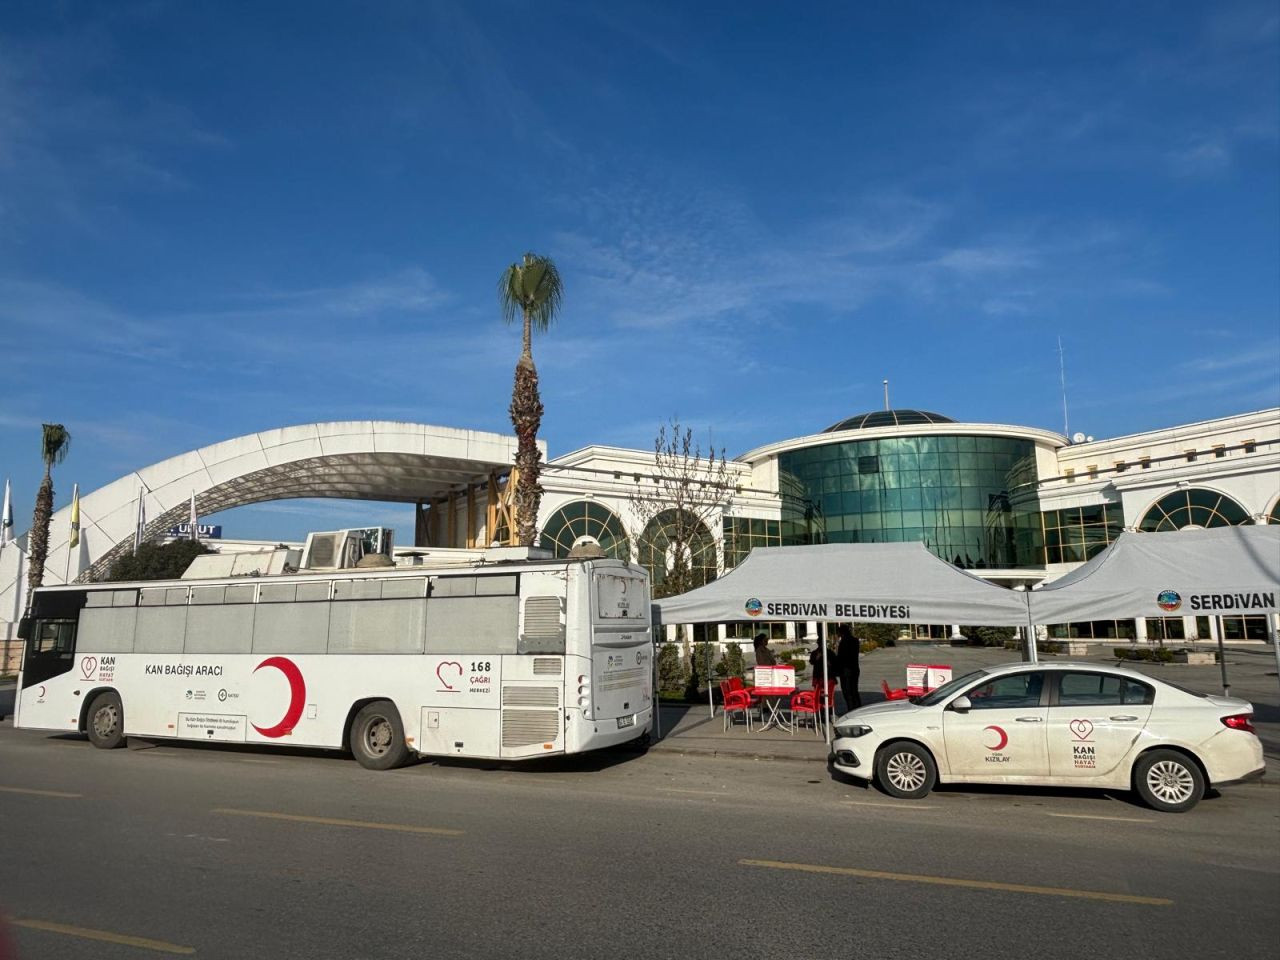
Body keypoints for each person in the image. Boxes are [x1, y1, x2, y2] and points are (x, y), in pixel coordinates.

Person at [835, 624, 862, 711]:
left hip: (846, 670)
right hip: (854, 669)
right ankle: (858, 708)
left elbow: (841, 657)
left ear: (842, 632)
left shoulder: (844, 642)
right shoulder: (855, 640)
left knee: (847, 692)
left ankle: (851, 710)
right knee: (854, 691)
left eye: (838, 632)